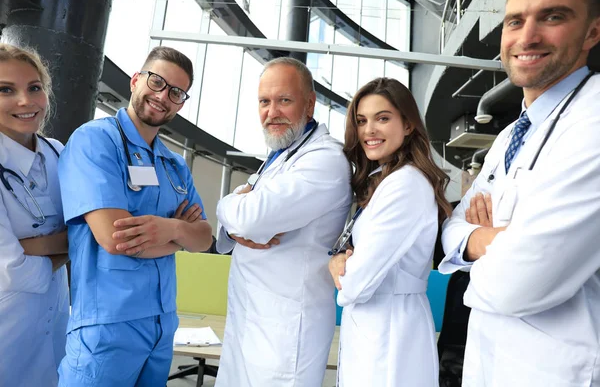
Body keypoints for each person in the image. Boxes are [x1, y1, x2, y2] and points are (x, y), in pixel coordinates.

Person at [439, 0, 600, 385]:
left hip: (558, 371)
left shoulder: (593, 122)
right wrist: (493, 240)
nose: (527, 37)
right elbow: (450, 231)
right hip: (487, 362)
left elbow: (520, 279)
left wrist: (474, 248)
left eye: (553, 17)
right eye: (515, 21)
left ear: (593, 31)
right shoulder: (509, 134)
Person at [57, 46, 213, 386]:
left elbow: (204, 238)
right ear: (135, 80)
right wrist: (180, 237)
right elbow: (116, 238)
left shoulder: (174, 164)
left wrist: (168, 228)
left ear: (182, 104)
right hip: (107, 328)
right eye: (157, 82)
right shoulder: (95, 141)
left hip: (161, 327)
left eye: (176, 92)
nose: (162, 96)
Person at [214, 57, 352, 386]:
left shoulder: (325, 160)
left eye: (284, 100)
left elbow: (247, 218)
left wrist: (228, 202)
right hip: (250, 322)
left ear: (310, 103)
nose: (272, 112)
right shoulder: (279, 156)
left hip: (286, 333)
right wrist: (239, 215)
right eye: (264, 101)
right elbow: (236, 230)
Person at [328, 77, 451, 387]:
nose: (369, 130)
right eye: (362, 121)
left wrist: (340, 266)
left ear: (408, 125)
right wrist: (345, 259)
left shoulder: (405, 185)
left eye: (382, 118)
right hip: (378, 328)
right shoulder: (382, 179)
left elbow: (355, 283)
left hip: (393, 331)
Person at [0, 43, 70, 386]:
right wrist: (72, 242)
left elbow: (90, 228)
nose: (25, 101)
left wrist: (34, 245)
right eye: (6, 90)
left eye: (34, 87)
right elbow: (11, 268)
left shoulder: (59, 153)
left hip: (55, 321)